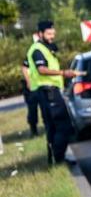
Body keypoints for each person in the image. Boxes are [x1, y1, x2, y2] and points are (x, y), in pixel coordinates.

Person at [26, 20, 79, 164]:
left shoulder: (45, 48)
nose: (51, 37)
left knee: (52, 127)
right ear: (40, 33)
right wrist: (63, 73)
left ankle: (55, 159)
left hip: (47, 91)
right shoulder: (38, 49)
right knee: (64, 126)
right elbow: (41, 69)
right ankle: (59, 157)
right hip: (48, 91)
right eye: (49, 34)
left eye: (53, 34)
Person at [20, 58, 40, 136]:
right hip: (31, 88)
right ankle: (33, 130)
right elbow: (24, 68)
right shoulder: (32, 55)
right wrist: (28, 81)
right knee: (32, 110)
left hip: (41, 85)